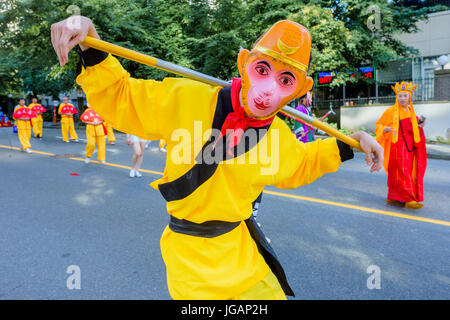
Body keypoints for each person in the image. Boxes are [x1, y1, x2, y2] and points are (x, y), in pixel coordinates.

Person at [52, 17, 383, 300]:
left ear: (300, 89)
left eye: (286, 80)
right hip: (191, 260)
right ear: (244, 63)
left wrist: (351, 143)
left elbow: (304, 162)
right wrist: (89, 41)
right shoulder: (185, 98)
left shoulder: (280, 135)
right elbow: (121, 98)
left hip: (242, 252)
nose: (268, 90)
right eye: (262, 69)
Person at [375, 81, 427, 209]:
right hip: (396, 147)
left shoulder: (411, 112)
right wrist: (385, 129)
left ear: (410, 97)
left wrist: (420, 125)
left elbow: (414, 129)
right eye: (400, 96)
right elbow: (378, 125)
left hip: (408, 147)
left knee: (405, 171)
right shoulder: (391, 111)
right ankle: (409, 199)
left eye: (405, 96)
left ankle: (394, 198)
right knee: (402, 172)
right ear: (396, 97)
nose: (402, 98)